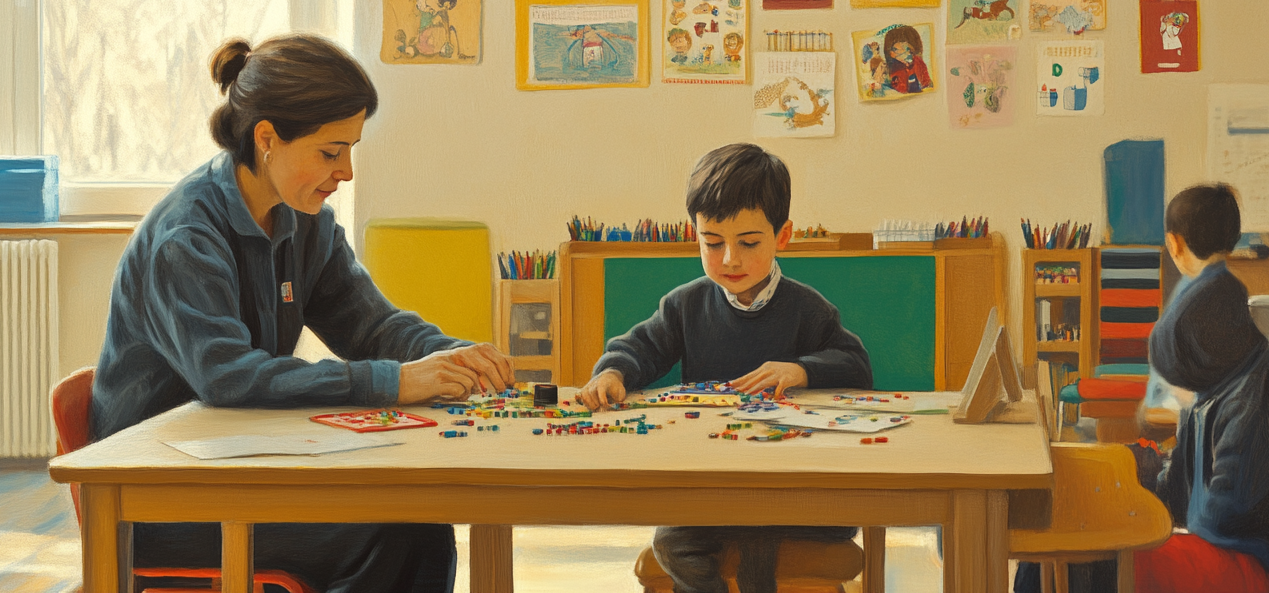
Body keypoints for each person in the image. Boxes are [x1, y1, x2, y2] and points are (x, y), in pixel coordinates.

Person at [91, 34, 514, 593]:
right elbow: (229, 377)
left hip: (240, 469)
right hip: (161, 498)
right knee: (403, 532)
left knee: (417, 520)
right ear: (267, 138)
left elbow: (371, 325)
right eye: (330, 152)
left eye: (351, 150)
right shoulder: (187, 236)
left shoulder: (304, 219)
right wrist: (394, 382)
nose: (347, 172)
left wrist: (450, 356)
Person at [576, 143, 873, 593]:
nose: (730, 258)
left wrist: (800, 369)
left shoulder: (807, 308)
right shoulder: (685, 304)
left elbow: (855, 364)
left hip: (787, 483)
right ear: (695, 234)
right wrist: (613, 372)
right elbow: (641, 346)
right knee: (671, 544)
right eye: (712, 243)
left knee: (782, 540)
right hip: (710, 483)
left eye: (749, 243)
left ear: (783, 236)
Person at [1014, 184, 1269, 593]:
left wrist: (1151, 518)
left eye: (1180, 382)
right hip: (1208, 541)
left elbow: (1224, 514)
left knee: (1076, 560)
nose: (1176, 394)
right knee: (1053, 548)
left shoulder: (1255, 408)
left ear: (1205, 362)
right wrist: (1134, 487)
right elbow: (1181, 483)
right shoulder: (1217, 394)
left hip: (1239, 559)